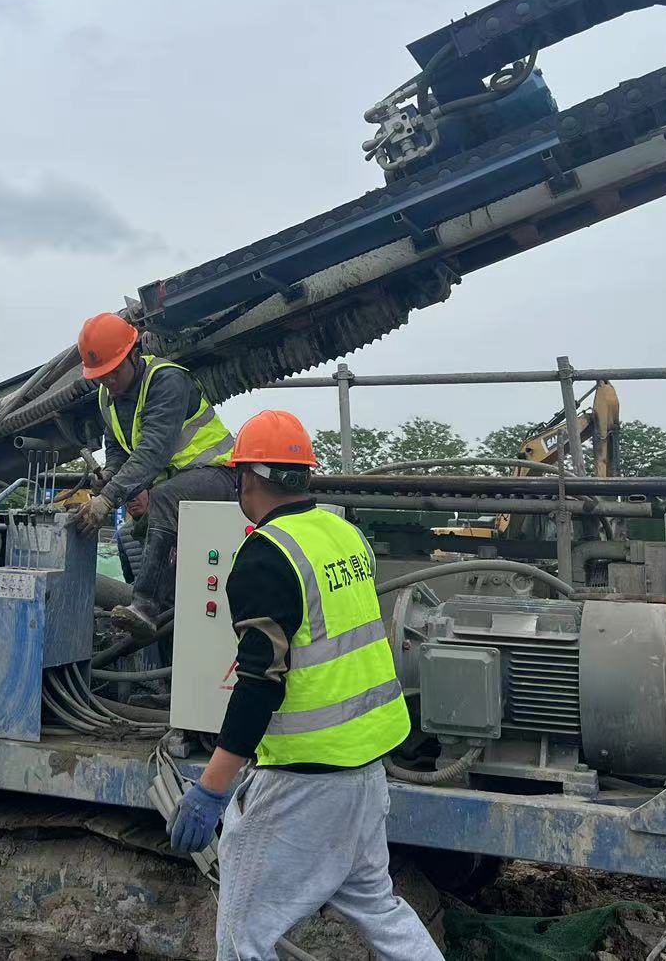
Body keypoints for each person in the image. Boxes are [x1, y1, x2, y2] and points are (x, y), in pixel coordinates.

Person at [167, 410, 439, 961]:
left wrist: (213, 789)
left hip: (306, 780)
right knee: (381, 911)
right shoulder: (345, 533)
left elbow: (258, 683)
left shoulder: (266, 554)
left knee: (244, 937)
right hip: (365, 770)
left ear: (247, 478)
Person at [69, 313, 235, 638]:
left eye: (114, 372)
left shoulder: (166, 380)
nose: (109, 382)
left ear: (133, 354)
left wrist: (106, 499)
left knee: (162, 498)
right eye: (101, 376)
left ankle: (144, 606)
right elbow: (118, 447)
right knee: (143, 537)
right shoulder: (107, 398)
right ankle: (164, 649)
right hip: (177, 488)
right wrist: (111, 473)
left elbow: (154, 450)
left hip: (219, 476)